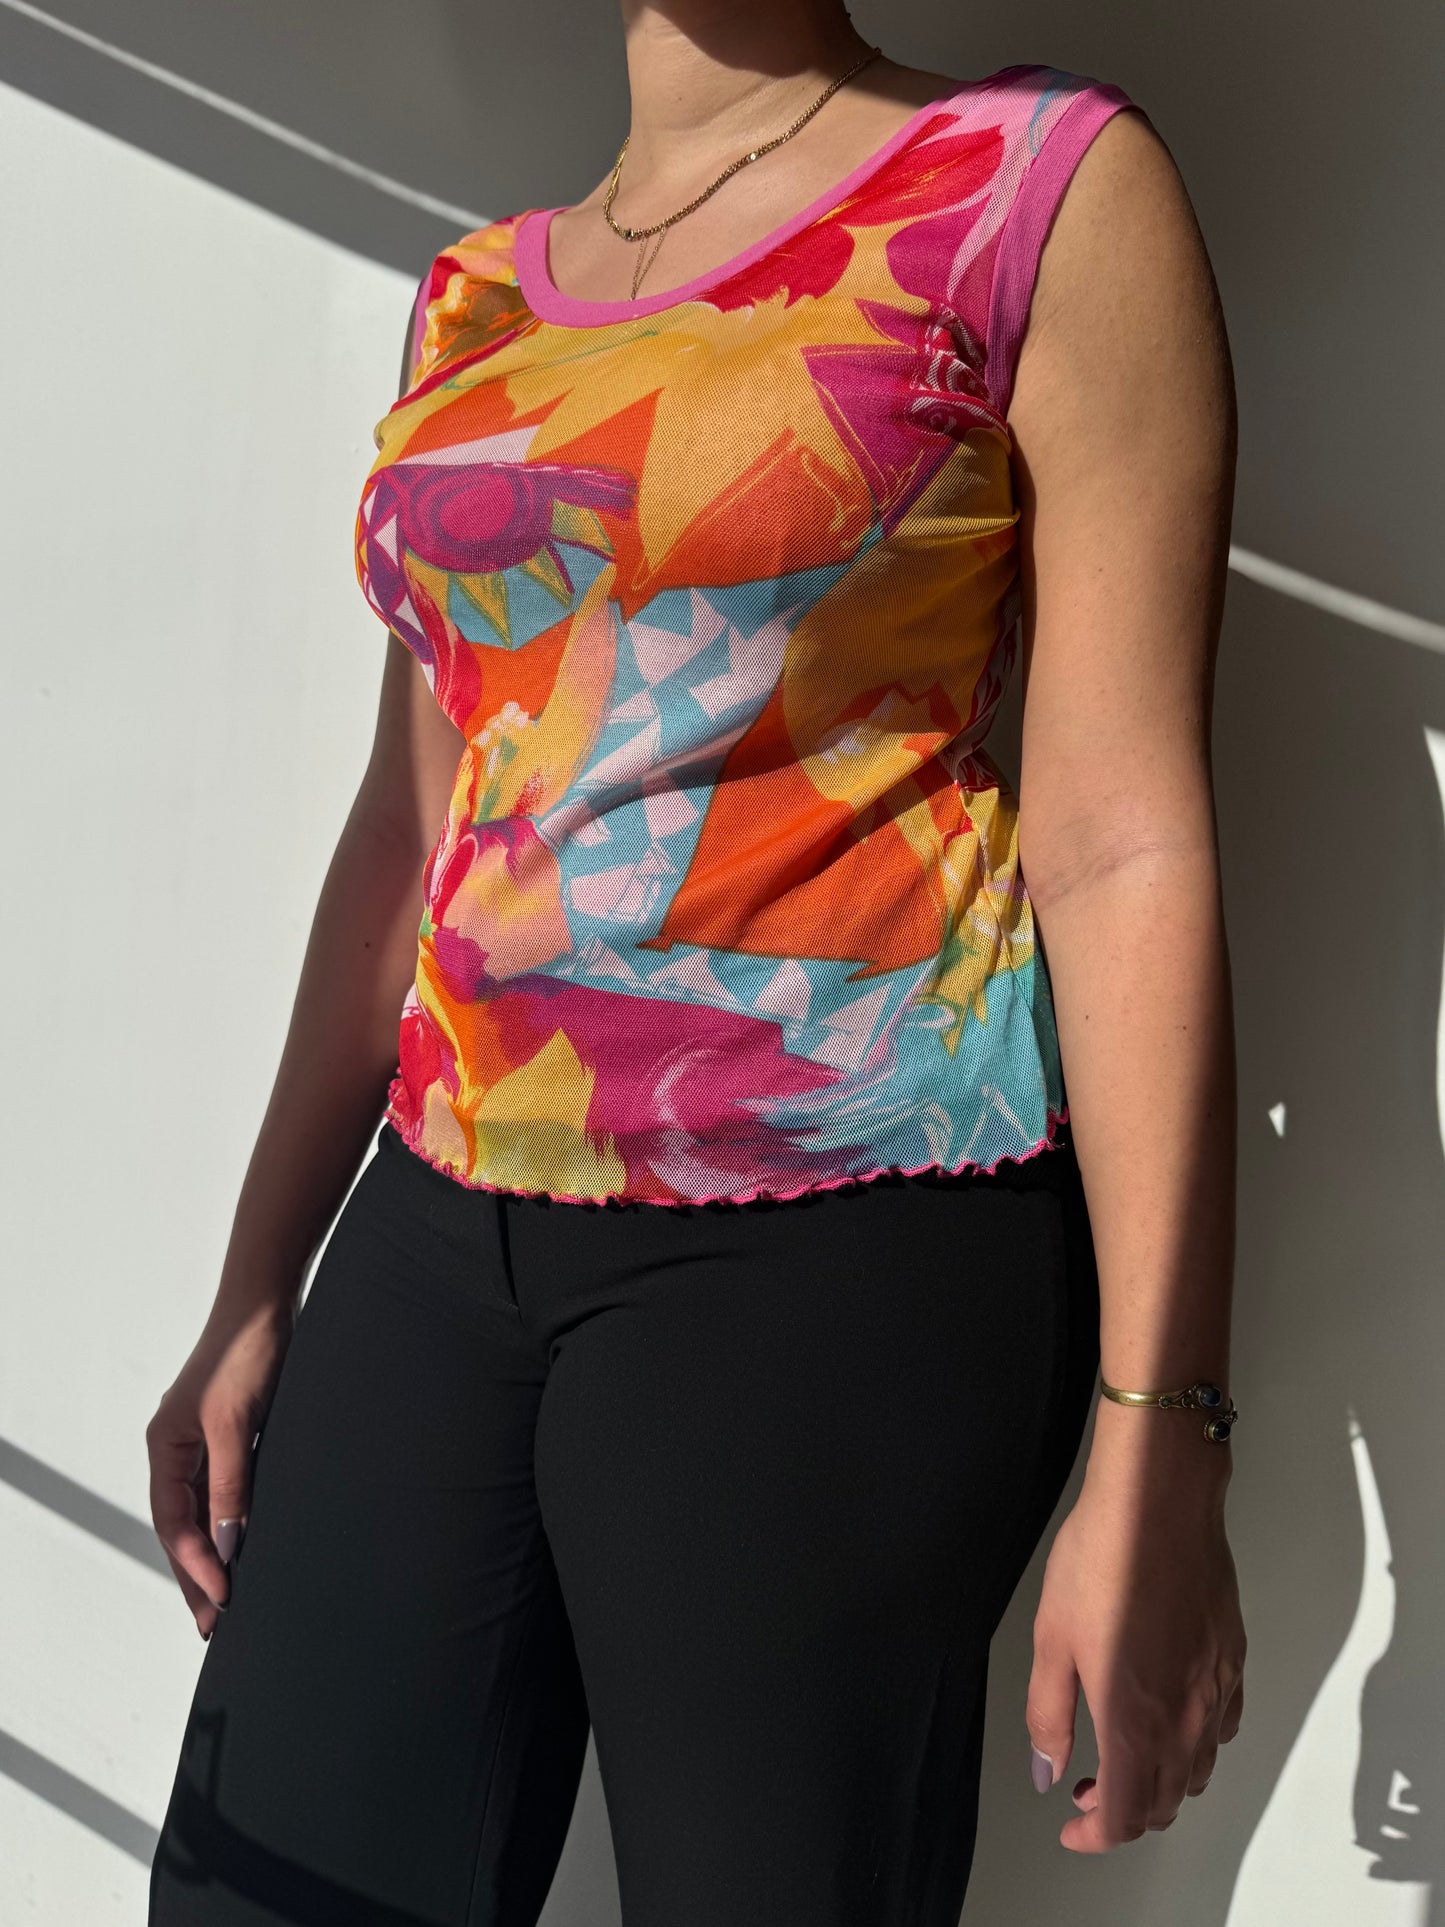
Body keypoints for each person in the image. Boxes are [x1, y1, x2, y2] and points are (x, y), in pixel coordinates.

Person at [145, 3, 1246, 1922]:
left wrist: (1163, 1434)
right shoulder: (478, 298)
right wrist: (257, 1273)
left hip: (839, 1233)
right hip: (444, 1209)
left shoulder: (1031, 186)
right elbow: (414, 828)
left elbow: (1123, 835)